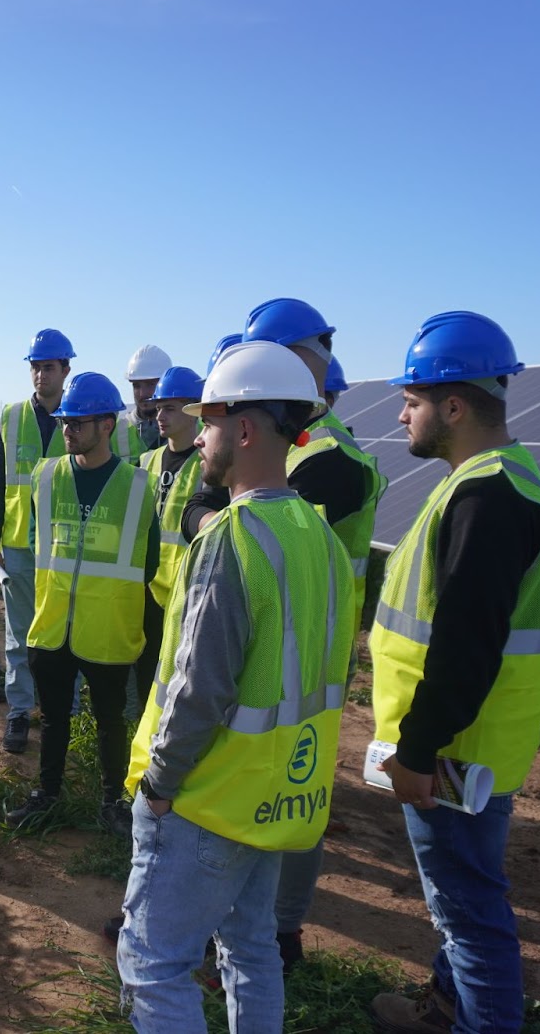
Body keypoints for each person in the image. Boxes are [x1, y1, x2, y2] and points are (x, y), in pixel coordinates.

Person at [117, 340, 354, 1033]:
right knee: (251, 949)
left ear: (244, 429)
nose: (203, 437)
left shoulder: (233, 538)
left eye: (211, 421)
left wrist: (159, 784)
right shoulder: (321, 538)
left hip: (206, 800)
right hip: (276, 800)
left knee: (155, 964)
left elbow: (199, 690)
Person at [368, 312, 540, 1034]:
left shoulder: (488, 498)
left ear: (454, 406)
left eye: (412, 400)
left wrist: (418, 751)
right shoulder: (489, 484)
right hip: (465, 744)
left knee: (470, 915)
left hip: (455, 753)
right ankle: (445, 1007)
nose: (401, 413)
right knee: (460, 906)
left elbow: (465, 645)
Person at [240, 298, 389, 968]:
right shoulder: (302, 445)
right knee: (265, 780)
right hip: (280, 639)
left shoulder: (329, 459)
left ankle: (281, 933)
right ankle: (255, 924)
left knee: (296, 787)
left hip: (306, 650)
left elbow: (274, 540)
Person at [3, 372, 158, 835]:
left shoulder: (137, 486)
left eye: (78, 423)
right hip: (52, 625)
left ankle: (113, 801)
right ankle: (47, 795)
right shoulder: (45, 476)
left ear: (107, 425)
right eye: (65, 422)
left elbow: (147, 562)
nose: (67, 430)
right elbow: (37, 541)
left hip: (107, 627)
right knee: (52, 720)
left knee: (111, 721)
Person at [0, 327, 75, 754]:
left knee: (63, 633)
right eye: (36, 368)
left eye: (49, 367)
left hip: (65, 548)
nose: (41, 375)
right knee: (19, 635)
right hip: (19, 544)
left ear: (66, 370)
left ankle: (65, 712)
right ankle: (19, 713)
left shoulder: (81, 415)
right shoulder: (12, 416)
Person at [132, 365, 206, 716]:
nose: (159, 415)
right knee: (146, 672)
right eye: (158, 407)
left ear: (194, 410)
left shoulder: (208, 464)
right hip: (146, 588)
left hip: (187, 593)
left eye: (170, 408)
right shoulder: (147, 460)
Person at [117, 344, 173, 456]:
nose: (142, 393)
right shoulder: (116, 431)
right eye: (136, 386)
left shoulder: (191, 428)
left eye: (150, 384)